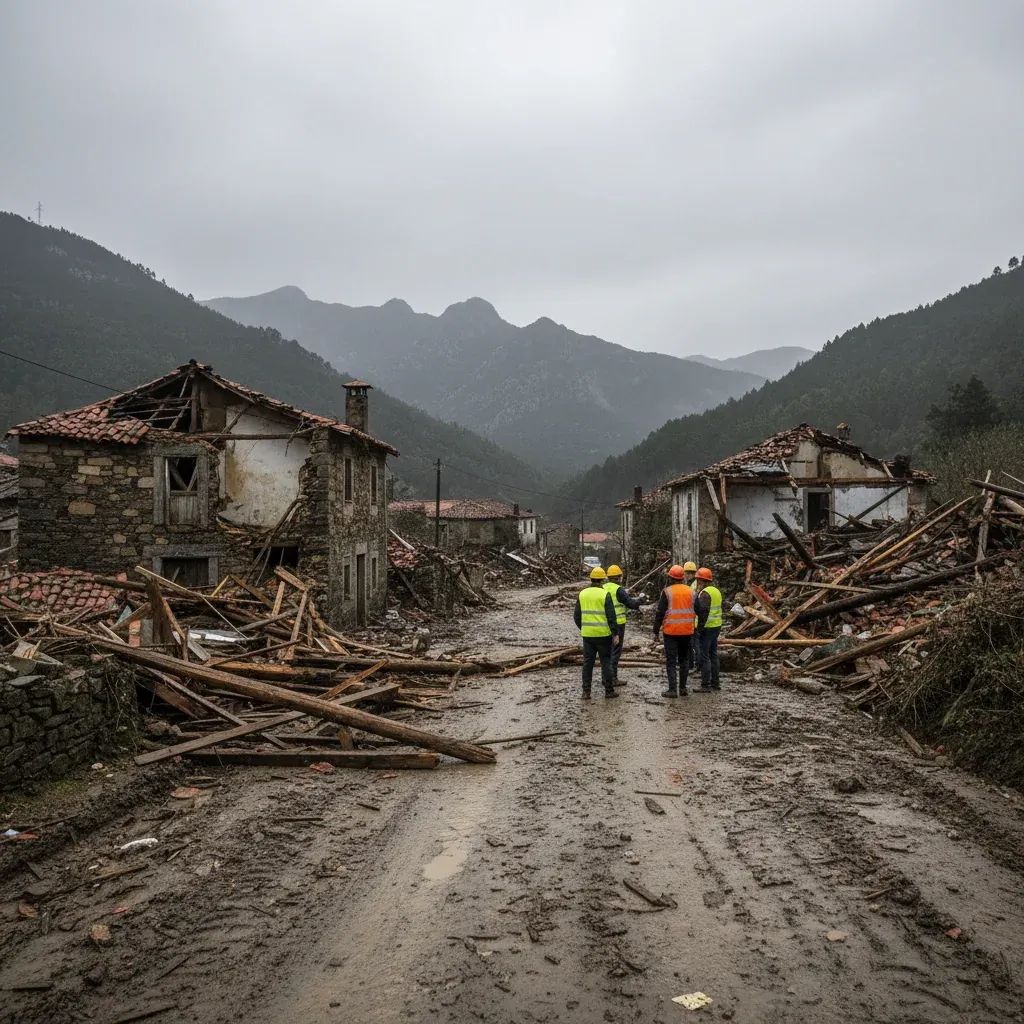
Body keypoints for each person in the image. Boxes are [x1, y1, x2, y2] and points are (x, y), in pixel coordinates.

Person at [573, 566, 620, 699]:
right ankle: (609, 691)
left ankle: (586, 692)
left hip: (588, 636)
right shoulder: (605, 594)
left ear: (591, 579)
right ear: (602, 580)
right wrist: (615, 633)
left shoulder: (582, 594)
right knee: (606, 662)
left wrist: (584, 628)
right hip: (604, 635)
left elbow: (576, 616)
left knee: (588, 663)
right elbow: (611, 616)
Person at [652, 564, 696, 697]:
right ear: (682, 578)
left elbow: (660, 613)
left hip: (671, 632)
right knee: (684, 660)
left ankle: (672, 690)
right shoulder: (691, 592)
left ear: (670, 578)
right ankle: (683, 689)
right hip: (687, 632)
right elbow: (700, 610)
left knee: (671, 661)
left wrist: (655, 631)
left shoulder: (667, 592)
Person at [603, 564, 645, 687]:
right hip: (618, 624)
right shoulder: (619, 590)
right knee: (615, 652)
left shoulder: (603, 587)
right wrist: (641, 600)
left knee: (606, 652)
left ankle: (605, 678)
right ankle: (613, 679)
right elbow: (631, 604)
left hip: (605, 623)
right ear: (619, 577)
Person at [693, 567, 722, 692]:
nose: (698, 583)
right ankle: (716, 683)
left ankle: (705, 685)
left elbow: (703, 612)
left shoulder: (705, 593)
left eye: (698, 580)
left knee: (704, 656)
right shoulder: (716, 591)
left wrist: (699, 629)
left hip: (707, 628)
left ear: (702, 580)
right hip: (716, 626)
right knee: (713, 654)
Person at [681, 561, 699, 669]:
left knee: (694, 644)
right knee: (690, 644)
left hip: (693, 620)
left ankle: (697, 665)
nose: (686, 575)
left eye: (687, 573)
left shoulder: (693, 585)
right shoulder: (691, 584)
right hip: (691, 619)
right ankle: (691, 664)